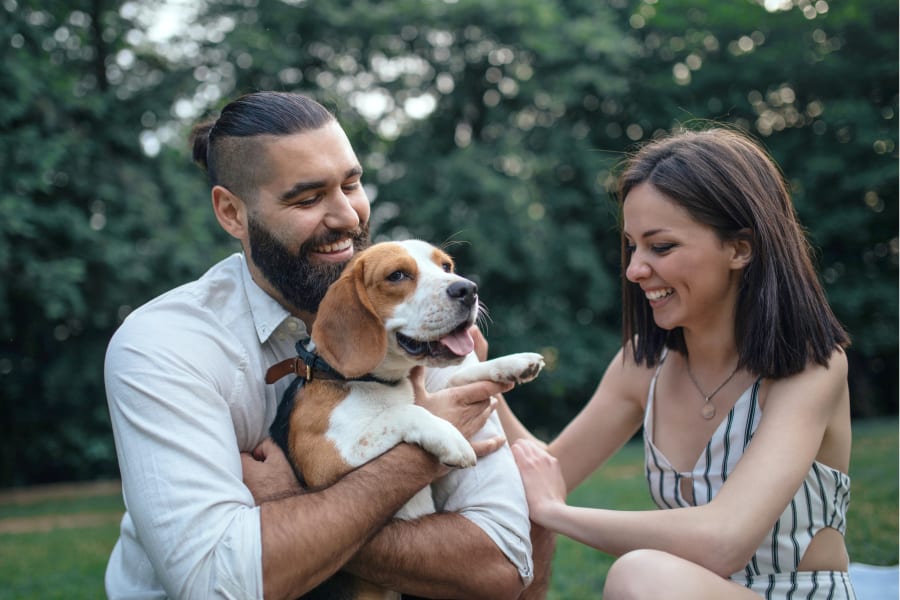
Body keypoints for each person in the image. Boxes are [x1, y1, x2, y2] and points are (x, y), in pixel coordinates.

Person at [104, 91, 534, 600]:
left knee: (539, 491)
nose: (348, 219)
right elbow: (215, 585)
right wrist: (415, 460)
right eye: (307, 199)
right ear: (231, 212)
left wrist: (283, 504)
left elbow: (503, 565)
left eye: (352, 184)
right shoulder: (163, 346)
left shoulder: (416, 323)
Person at [501, 127, 855, 599]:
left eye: (661, 246)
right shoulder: (642, 365)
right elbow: (547, 472)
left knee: (642, 575)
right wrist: (478, 383)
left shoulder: (811, 368)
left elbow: (724, 541)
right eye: (632, 246)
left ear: (740, 248)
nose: (634, 269)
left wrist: (555, 514)